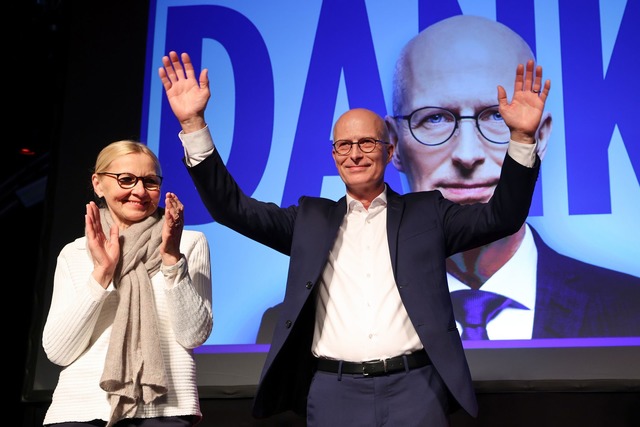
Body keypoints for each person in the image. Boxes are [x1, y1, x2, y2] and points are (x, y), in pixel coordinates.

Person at [158, 49, 549, 425]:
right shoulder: (310, 220)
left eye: (367, 143)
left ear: (390, 149)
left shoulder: (427, 214)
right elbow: (232, 209)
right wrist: (193, 126)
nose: (355, 154)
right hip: (334, 389)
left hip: (415, 389)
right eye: (344, 145)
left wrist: (521, 139)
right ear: (333, 155)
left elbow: (503, 216)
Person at [386, 14, 640, 340]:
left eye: (496, 115)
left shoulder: (631, 311)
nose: (467, 154)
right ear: (393, 145)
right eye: (434, 118)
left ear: (539, 138)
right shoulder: (353, 313)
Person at [42, 140, 213, 427]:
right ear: (98, 184)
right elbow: (59, 351)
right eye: (126, 180)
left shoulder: (188, 243)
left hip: (163, 409)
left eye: (150, 181)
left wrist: (172, 258)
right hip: (79, 408)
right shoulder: (75, 252)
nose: (139, 191)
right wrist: (102, 274)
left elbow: (193, 335)